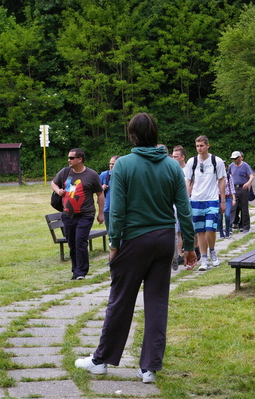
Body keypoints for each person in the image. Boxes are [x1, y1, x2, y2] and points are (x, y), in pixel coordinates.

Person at [75, 112, 197, 384]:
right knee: (156, 303)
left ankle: (101, 361)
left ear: (132, 136)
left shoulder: (124, 165)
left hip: (133, 241)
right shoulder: (172, 167)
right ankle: (149, 368)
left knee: (120, 300)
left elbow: (116, 210)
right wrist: (189, 245)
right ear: (155, 135)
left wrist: (114, 243)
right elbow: (185, 211)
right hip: (164, 241)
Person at [51, 149, 104, 280]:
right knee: (72, 244)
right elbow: (53, 183)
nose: (68, 160)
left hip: (85, 215)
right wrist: (58, 191)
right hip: (68, 215)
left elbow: (100, 193)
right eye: (68, 157)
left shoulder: (91, 175)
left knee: (80, 241)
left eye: (71, 158)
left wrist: (101, 213)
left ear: (79, 159)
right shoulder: (65, 172)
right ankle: (75, 270)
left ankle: (81, 272)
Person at [185, 136, 226, 271]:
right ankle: (204, 259)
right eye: (197, 146)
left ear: (208, 146)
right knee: (200, 231)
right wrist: (186, 199)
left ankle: (212, 251)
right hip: (196, 200)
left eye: (202, 145)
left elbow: (221, 180)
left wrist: (223, 200)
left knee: (210, 228)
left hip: (212, 199)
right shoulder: (192, 162)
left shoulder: (216, 161)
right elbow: (189, 181)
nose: (199, 148)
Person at [229, 151, 254, 233]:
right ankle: (232, 224)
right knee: (233, 207)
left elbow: (251, 176)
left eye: (236, 158)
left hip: (243, 188)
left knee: (244, 208)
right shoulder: (231, 166)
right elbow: (228, 176)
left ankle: (245, 226)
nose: (234, 160)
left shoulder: (245, 166)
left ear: (240, 157)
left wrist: (248, 183)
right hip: (234, 189)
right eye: (233, 159)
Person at [99, 155, 120, 233]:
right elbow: (95, 189)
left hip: (120, 210)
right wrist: (101, 188)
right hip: (108, 210)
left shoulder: (124, 175)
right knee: (110, 233)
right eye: (110, 164)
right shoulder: (105, 175)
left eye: (113, 164)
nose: (111, 166)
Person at [218, 161, 236, 239]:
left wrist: (234, 199)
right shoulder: (215, 176)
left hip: (227, 198)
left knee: (227, 215)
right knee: (219, 216)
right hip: (217, 198)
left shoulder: (228, 176)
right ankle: (221, 233)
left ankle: (228, 231)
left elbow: (232, 187)